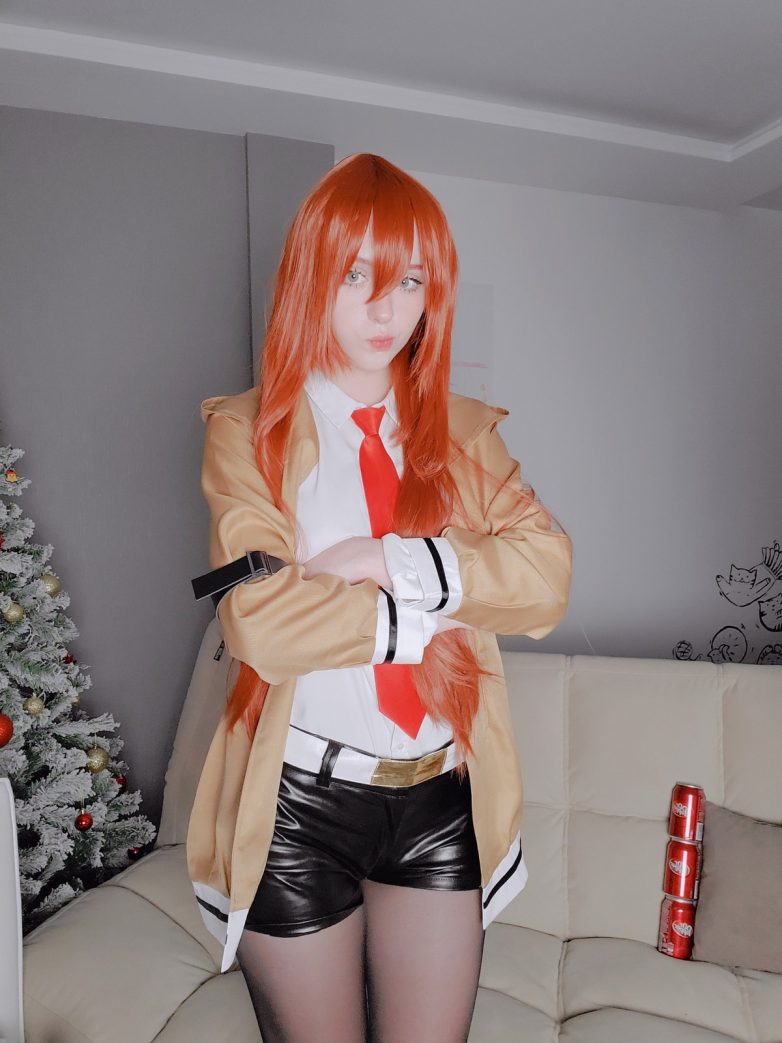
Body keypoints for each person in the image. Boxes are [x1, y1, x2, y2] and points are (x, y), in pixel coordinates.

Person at [186, 152, 573, 1042]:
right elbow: (259, 620)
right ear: (310, 276)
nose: (383, 308)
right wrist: (434, 607)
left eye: (409, 280)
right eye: (355, 273)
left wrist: (388, 559)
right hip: (298, 807)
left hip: (438, 798)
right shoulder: (249, 433)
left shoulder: (467, 437)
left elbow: (546, 577)